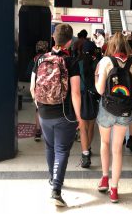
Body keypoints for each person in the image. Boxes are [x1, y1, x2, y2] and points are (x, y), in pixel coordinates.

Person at [30, 23, 83, 207]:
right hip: (64, 113)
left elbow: (32, 87)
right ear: (69, 42)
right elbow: (76, 93)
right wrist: (79, 118)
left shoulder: (40, 59)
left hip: (44, 112)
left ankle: (53, 179)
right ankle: (56, 191)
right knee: (62, 150)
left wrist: (40, 105)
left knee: (50, 147)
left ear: (54, 37)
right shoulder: (72, 62)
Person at [95, 32, 132, 203]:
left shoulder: (105, 62)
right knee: (118, 149)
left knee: (104, 143)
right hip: (125, 110)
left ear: (111, 46)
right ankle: (114, 189)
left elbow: (100, 90)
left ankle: (105, 178)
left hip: (107, 108)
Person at [79, 40, 100, 168]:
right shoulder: (97, 64)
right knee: (91, 126)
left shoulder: (78, 63)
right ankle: (89, 147)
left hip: (80, 97)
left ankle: (85, 153)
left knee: (83, 127)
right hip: (93, 97)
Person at [32, 40, 49, 142]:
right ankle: (48, 132)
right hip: (48, 86)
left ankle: (38, 131)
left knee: (38, 109)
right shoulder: (49, 57)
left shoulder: (35, 59)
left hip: (38, 86)